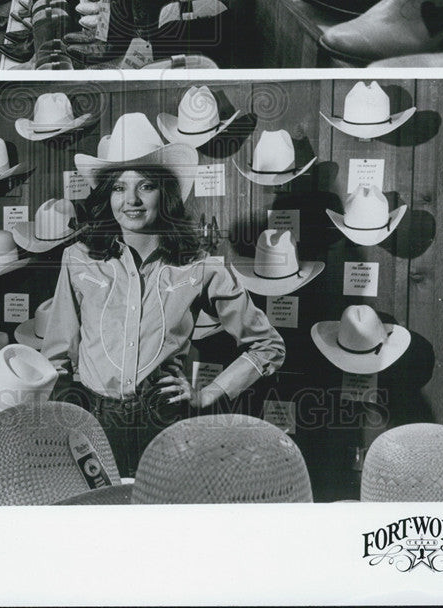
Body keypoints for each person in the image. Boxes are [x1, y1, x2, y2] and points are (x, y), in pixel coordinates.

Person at [42, 117, 286, 477]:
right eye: (119, 188)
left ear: (165, 194)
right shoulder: (78, 259)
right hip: (92, 421)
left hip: (166, 420)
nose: (132, 201)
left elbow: (268, 345)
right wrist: (68, 418)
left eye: (146, 186)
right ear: (106, 195)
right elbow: (55, 357)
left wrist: (209, 393)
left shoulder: (199, 268)